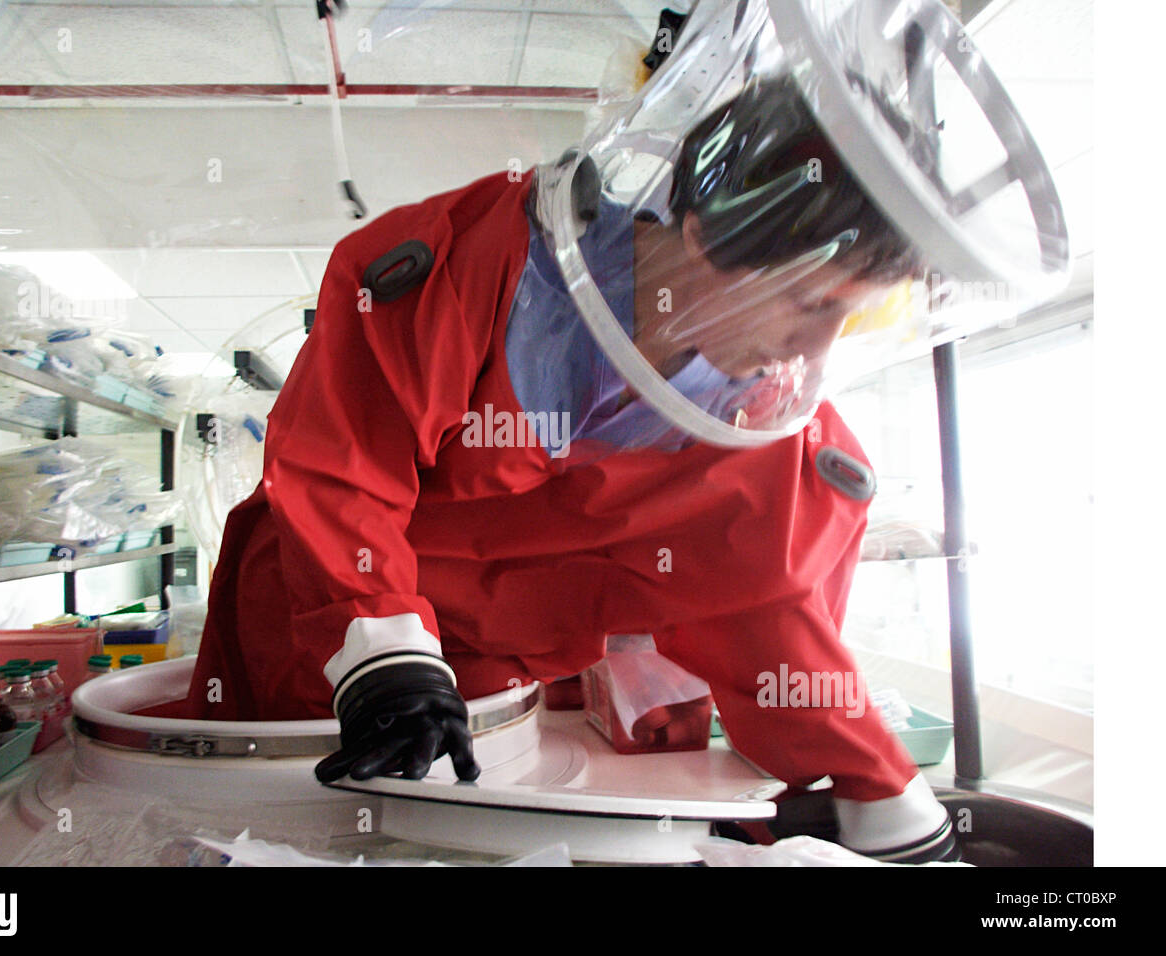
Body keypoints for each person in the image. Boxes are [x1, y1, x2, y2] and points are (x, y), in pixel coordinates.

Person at [173, 0, 1066, 864]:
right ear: (716, 235)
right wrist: (380, 651)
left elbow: (766, 615)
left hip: (488, 701)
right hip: (317, 641)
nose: (812, 352)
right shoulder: (468, 266)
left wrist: (880, 789)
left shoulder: (764, 429)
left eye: (851, 323)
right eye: (808, 304)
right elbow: (341, 471)